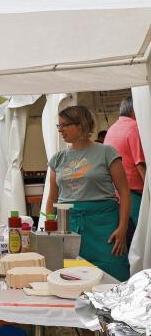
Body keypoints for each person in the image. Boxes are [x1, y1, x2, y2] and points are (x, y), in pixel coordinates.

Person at [45, 106, 130, 281]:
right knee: (74, 277)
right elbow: (52, 197)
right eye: (58, 126)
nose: (60, 130)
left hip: (104, 226)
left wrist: (122, 228)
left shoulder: (107, 152)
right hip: (69, 227)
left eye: (65, 125)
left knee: (113, 274)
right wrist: (48, 227)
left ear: (81, 125)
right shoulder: (58, 158)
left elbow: (124, 192)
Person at [104, 96, 145, 246]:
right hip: (134, 194)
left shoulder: (112, 128)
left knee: (130, 239)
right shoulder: (134, 128)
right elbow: (140, 164)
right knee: (142, 238)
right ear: (136, 111)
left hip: (117, 193)